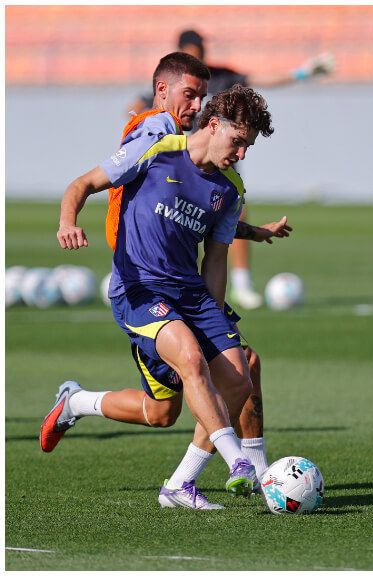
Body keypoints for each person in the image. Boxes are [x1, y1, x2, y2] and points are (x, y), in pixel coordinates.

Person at [45, 72, 277, 507]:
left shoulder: (230, 190)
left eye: (249, 147)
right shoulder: (155, 149)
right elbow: (83, 184)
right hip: (139, 289)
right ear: (214, 125)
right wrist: (67, 222)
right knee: (191, 358)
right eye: (239, 141)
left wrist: (215, 313)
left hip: (190, 294)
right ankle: (240, 463)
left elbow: (216, 256)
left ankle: (172, 479)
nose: (242, 153)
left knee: (232, 379)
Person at [130, 29, 332, 310]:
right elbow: (138, 105)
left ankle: (240, 283)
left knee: (231, 213)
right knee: (167, 213)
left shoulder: (220, 77)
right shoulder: (176, 84)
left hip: (221, 166)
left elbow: (260, 81)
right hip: (182, 164)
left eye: (199, 53)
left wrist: (303, 73)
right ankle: (141, 270)